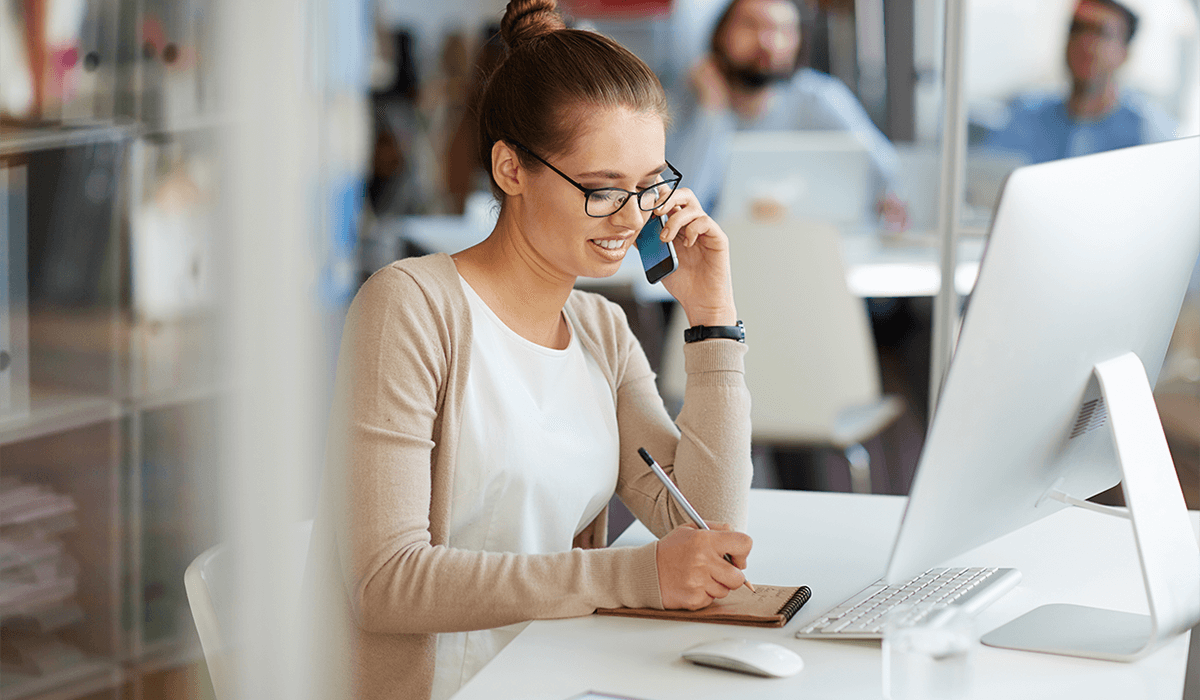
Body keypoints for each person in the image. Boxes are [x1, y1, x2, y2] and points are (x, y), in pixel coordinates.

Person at [306, 1, 755, 698]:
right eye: (603, 191)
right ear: (511, 169)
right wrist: (630, 576)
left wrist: (712, 322)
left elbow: (705, 526)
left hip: (554, 676)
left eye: (649, 188)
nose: (634, 218)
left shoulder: (602, 333)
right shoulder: (411, 308)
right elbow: (385, 582)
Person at [668, 0, 908, 228]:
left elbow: (887, 176)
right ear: (720, 35)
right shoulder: (682, 105)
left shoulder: (820, 98)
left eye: (782, 29)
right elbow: (674, 203)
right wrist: (712, 113)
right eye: (750, 25)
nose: (766, 41)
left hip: (812, 246)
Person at [983, 0, 1177, 164]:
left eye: (1100, 32)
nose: (1084, 42)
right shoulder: (1025, 118)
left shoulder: (1151, 137)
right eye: (1077, 28)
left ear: (1125, 54)